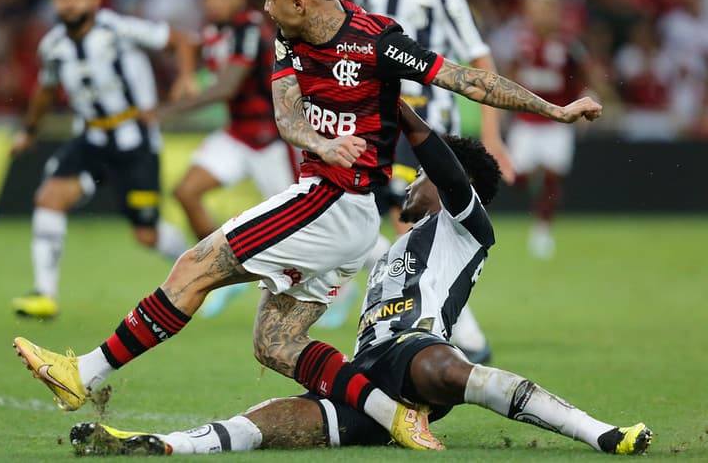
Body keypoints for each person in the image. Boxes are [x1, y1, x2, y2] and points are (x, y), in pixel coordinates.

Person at [12, 0, 601, 451]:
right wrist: (324, 140)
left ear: (299, 2)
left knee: (193, 267)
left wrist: (553, 109)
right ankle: (396, 416)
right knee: (275, 344)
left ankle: (81, 373)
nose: (264, 8)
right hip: (333, 203)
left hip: (334, 201)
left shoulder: (379, 44)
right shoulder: (287, 38)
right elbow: (288, 118)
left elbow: (468, 79)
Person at [67, 102, 650, 457]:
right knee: (272, 424)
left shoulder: (470, 228)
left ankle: (600, 433)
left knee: (446, 367)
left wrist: (394, 102)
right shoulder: (397, 241)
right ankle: (158, 445)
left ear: (447, 188)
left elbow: (446, 171)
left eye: (418, 178)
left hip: (418, 353)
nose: (411, 186)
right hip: (365, 374)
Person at [326, 0, 510, 358]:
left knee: (409, 221)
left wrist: (491, 133)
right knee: (364, 215)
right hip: (378, 119)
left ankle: (456, 334)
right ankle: (438, 323)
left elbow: (479, 58)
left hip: (427, 124)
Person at [9, 0, 197, 319]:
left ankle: (195, 267)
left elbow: (180, 39)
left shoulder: (118, 29)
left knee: (147, 234)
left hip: (135, 140)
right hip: (91, 137)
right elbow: (46, 91)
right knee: (50, 198)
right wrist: (29, 132)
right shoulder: (52, 45)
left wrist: (185, 78)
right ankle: (44, 294)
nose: (69, 3)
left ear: (94, 0)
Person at [163, 0, 299, 317]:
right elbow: (189, 45)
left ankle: (340, 289)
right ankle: (217, 274)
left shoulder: (250, 28)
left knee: (298, 228)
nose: (215, 2)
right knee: (186, 192)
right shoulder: (213, 30)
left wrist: (168, 111)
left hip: (271, 139)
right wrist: (188, 73)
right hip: (238, 136)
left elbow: (228, 86)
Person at [492, 0, 615, 259]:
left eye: (548, 7)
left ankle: (542, 229)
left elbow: (590, 78)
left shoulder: (570, 45)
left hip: (558, 122)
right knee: (516, 176)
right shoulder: (518, 42)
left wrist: (590, 98)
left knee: (552, 175)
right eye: (536, 6)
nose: (542, 13)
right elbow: (506, 78)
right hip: (526, 121)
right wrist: (499, 109)